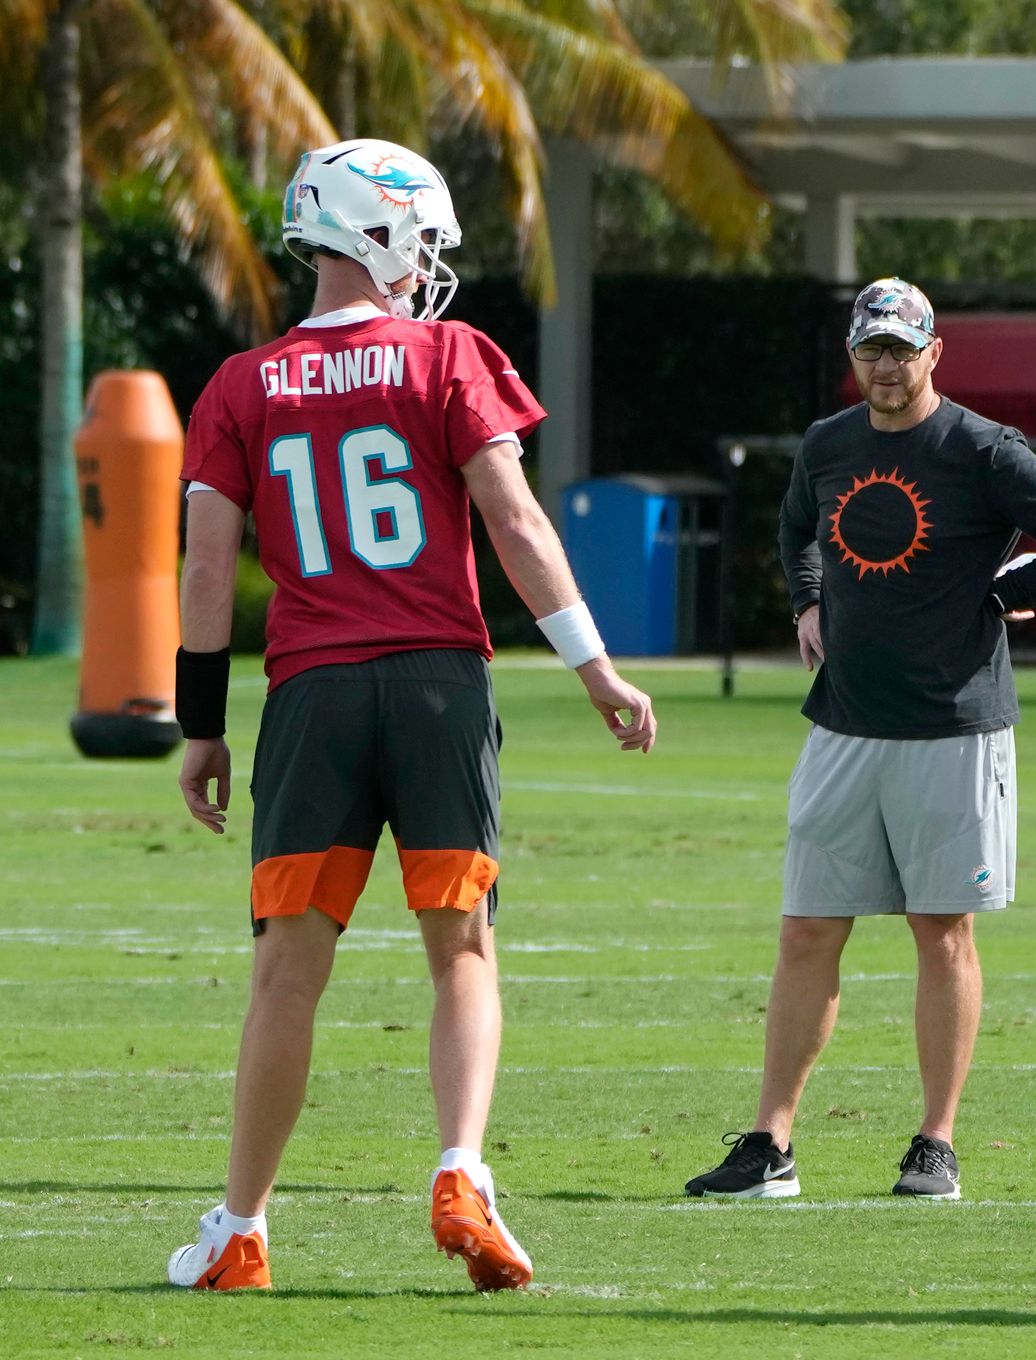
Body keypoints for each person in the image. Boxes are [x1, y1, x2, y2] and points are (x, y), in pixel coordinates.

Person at [167, 137, 656, 1292]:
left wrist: (200, 724)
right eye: (422, 236)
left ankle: (241, 1227)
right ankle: (462, 1167)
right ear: (376, 230)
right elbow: (516, 522)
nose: (430, 260)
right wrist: (596, 670)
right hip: (440, 682)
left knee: (288, 972)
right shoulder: (446, 355)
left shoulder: (241, 383)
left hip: (313, 695)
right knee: (462, 952)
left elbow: (202, 572)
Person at [684, 278, 1036, 1201]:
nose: (885, 367)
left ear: (933, 354)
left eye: (900, 349)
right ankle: (771, 1145)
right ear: (855, 358)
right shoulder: (828, 443)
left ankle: (936, 1143)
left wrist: (1006, 595)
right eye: (870, 350)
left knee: (941, 931)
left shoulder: (982, 448)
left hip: (952, 727)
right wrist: (808, 599)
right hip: (844, 721)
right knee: (807, 931)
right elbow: (797, 525)